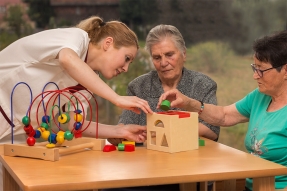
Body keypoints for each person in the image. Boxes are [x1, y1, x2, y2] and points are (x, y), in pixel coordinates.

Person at [157, 30, 287, 190]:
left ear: (285, 71)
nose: (255, 76)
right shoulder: (259, 96)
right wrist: (188, 102)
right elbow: (225, 116)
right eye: (255, 68)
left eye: (261, 69)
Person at [105, 24, 220, 191]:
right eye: (157, 57)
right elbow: (124, 128)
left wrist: (164, 129)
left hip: (191, 170)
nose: (164, 63)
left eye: (169, 55)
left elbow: (211, 130)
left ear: (184, 54)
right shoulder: (138, 86)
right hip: (145, 172)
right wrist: (117, 135)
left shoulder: (202, 85)